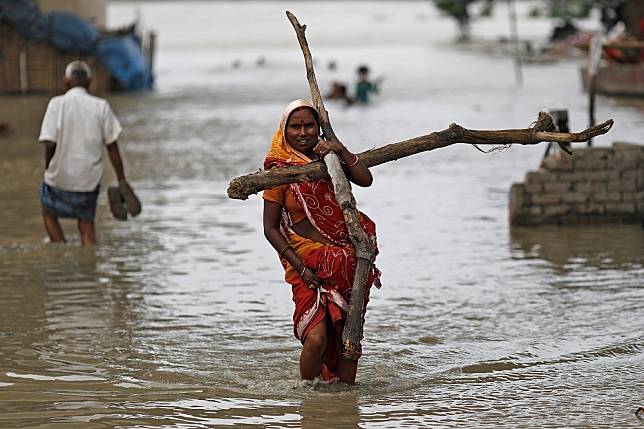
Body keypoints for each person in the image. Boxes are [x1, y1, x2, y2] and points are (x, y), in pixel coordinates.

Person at [262, 99, 380, 385]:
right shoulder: (278, 169)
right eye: (295, 126)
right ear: (284, 130)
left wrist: (339, 149)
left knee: (346, 340)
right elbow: (270, 228)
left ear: (318, 128)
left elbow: (366, 179)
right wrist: (302, 269)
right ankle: (309, 396)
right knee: (316, 338)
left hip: (347, 261)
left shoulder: (329, 159)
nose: (303, 132)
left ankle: (340, 408)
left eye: (309, 125)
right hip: (305, 263)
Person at [38, 60, 131, 246]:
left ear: (66, 82)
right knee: (86, 223)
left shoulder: (56, 104)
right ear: (89, 82)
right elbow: (112, 147)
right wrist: (121, 179)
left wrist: (48, 167)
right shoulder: (101, 106)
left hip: (59, 175)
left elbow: (50, 144)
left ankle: (59, 245)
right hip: (88, 180)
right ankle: (88, 264)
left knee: (48, 212)